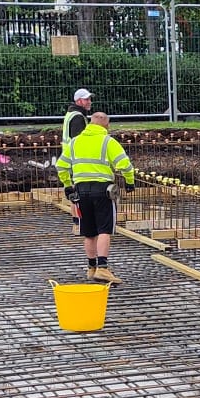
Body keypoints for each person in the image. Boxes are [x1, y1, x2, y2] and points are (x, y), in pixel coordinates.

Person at [55, 110, 135, 284]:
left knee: (89, 232)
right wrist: (130, 182)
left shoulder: (75, 142)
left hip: (81, 190)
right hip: (103, 190)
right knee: (104, 230)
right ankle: (103, 269)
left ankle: (91, 268)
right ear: (106, 125)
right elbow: (125, 165)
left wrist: (68, 185)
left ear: (90, 124)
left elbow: (61, 166)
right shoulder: (108, 142)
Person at [61, 88, 95, 235]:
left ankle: (77, 223)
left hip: (69, 158)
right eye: (87, 99)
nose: (89, 102)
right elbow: (78, 140)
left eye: (89, 99)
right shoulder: (78, 118)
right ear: (79, 101)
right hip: (75, 160)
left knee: (75, 191)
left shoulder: (72, 114)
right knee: (78, 191)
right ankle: (78, 224)